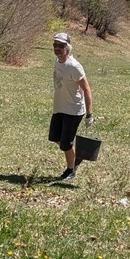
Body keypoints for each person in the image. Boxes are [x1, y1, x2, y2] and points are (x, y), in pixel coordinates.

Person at [50, 32, 93, 181]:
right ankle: (75, 156)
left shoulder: (74, 66)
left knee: (66, 144)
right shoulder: (57, 61)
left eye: (61, 46)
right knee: (55, 137)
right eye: (55, 45)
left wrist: (89, 114)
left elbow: (87, 89)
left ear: (68, 48)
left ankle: (71, 170)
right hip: (59, 108)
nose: (57, 48)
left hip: (73, 111)